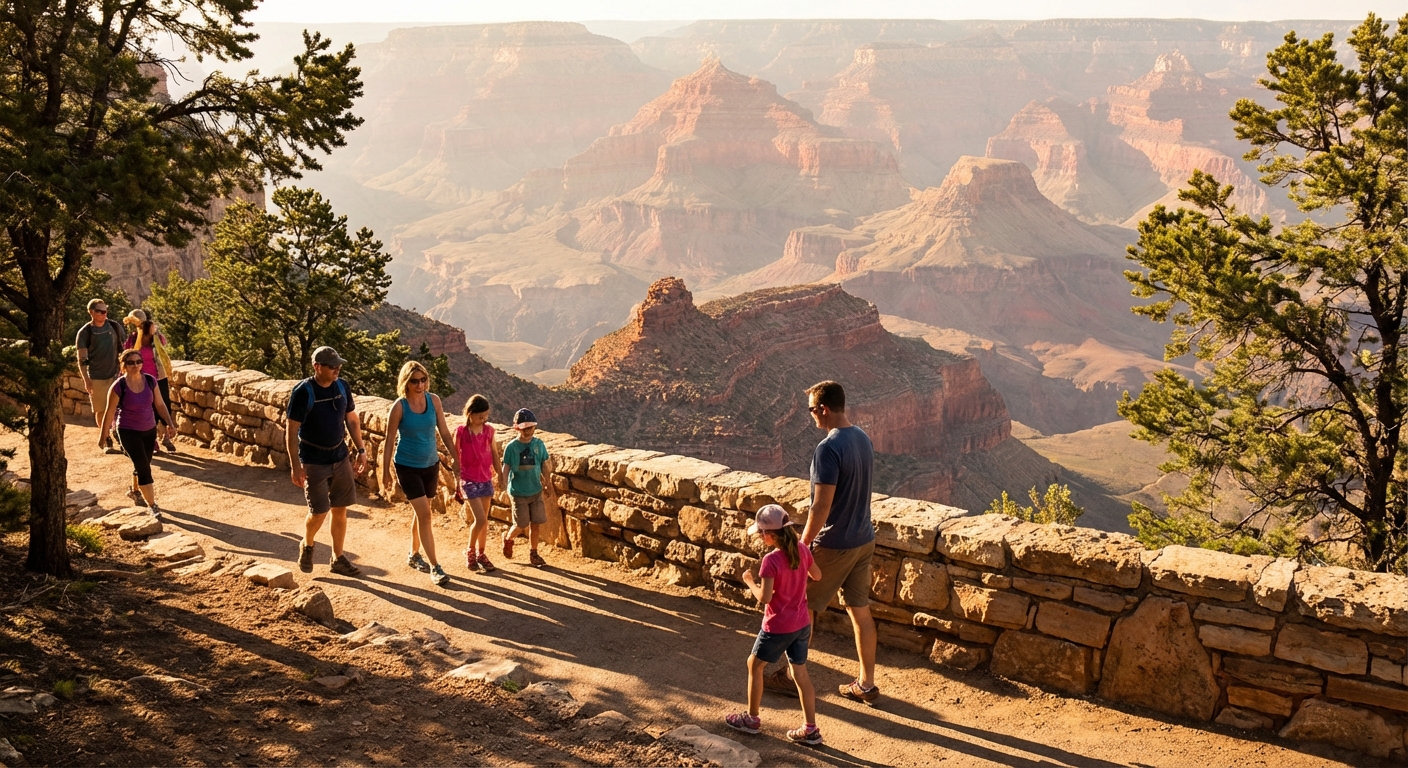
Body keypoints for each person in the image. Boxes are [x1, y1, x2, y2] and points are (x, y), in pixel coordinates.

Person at [765, 380, 881, 704]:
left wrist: (802, 545)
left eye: (812, 410)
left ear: (824, 409)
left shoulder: (828, 448)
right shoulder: (863, 438)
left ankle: (791, 678)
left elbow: (821, 505)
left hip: (836, 544)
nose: (811, 416)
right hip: (863, 539)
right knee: (860, 612)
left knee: (803, 606)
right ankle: (867, 685)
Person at [726, 504, 824, 745]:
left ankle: (751, 719)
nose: (760, 537)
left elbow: (765, 598)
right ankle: (810, 728)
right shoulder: (802, 549)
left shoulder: (771, 561)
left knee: (754, 665)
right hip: (802, 624)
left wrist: (749, 580)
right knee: (800, 673)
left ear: (771, 535)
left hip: (778, 626)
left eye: (761, 533)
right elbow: (818, 576)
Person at [286, 346, 368, 576]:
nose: (337, 369)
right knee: (319, 511)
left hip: (340, 456)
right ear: (317, 367)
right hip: (314, 460)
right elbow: (291, 430)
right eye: (332, 366)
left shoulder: (342, 387)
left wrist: (361, 450)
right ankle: (308, 544)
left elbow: (351, 419)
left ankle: (338, 558)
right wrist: (295, 465)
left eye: (339, 365)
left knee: (340, 509)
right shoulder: (303, 391)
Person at [380, 361, 457, 587]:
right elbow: (388, 441)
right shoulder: (399, 407)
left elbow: (443, 431)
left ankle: (414, 554)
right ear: (406, 382)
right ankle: (435, 567)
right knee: (425, 515)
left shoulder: (434, 401)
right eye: (415, 381)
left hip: (430, 465)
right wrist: (385, 472)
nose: (420, 384)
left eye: (423, 380)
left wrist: (456, 457)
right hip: (407, 466)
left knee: (421, 512)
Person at [98, 350, 177, 517]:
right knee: (144, 467)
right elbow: (109, 412)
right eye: (131, 362)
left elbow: (160, 405)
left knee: (143, 463)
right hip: (127, 431)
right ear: (124, 365)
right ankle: (153, 506)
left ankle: (135, 491)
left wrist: (170, 423)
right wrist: (103, 435)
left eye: (138, 361)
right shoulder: (119, 386)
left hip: (149, 430)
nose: (136, 365)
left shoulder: (150, 381)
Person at [453, 394, 503, 573]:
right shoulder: (461, 432)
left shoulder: (489, 431)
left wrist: (500, 475)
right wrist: (456, 481)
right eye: (480, 416)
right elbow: (455, 458)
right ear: (470, 414)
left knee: (484, 521)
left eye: (486, 416)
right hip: (469, 479)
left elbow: (495, 454)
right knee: (480, 519)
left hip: (485, 479)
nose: (484, 419)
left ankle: (482, 553)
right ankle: (470, 550)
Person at [500, 408, 556, 568]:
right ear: (517, 428)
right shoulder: (512, 447)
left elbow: (544, 465)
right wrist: (503, 484)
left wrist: (547, 484)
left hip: (536, 490)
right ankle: (508, 538)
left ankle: (534, 552)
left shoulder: (539, 445)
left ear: (534, 427)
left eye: (530, 428)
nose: (528, 431)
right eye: (524, 428)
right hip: (518, 492)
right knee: (521, 524)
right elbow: (506, 467)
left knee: (536, 523)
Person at [75, 298, 127, 453]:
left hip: (115, 374)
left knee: (119, 408)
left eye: (106, 311)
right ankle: (106, 437)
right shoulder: (85, 332)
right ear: (92, 312)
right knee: (100, 410)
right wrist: (86, 380)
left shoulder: (114, 327)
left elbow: (123, 349)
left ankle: (119, 436)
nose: (105, 314)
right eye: (101, 311)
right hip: (96, 377)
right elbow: (82, 359)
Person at [122, 309, 177, 453]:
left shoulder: (154, 337)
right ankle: (153, 442)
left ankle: (165, 438)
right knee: (149, 409)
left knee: (163, 406)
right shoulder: (133, 338)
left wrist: (156, 333)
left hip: (159, 377)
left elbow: (163, 344)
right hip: (143, 378)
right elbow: (127, 353)